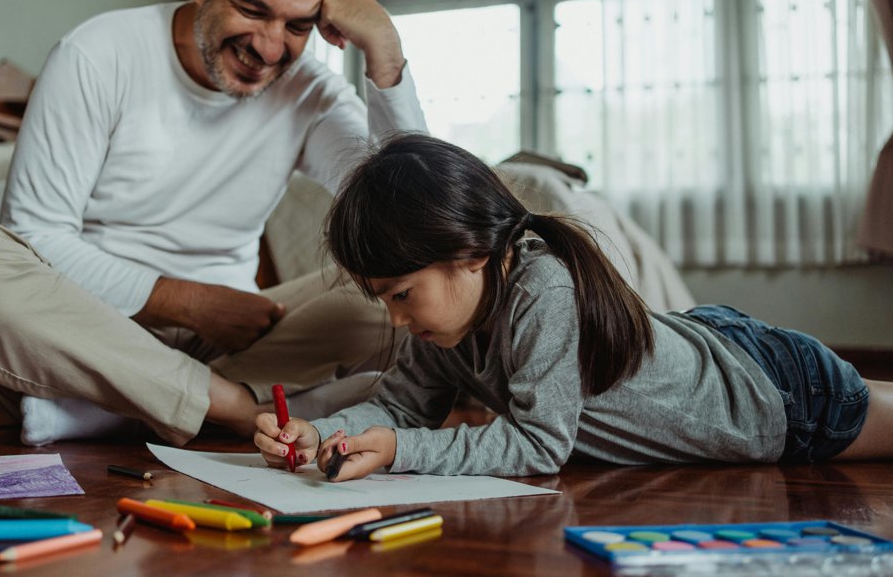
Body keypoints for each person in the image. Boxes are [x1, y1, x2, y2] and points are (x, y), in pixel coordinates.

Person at [0, 0, 426, 447]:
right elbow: (37, 234)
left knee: (392, 290)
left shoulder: (311, 93)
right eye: (251, 9)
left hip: (237, 343)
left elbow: (412, 220)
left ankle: (115, 411)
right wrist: (190, 303)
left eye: (297, 25)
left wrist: (384, 49)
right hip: (88, 335)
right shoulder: (97, 53)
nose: (269, 47)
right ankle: (231, 406)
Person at [254, 133, 893, 478]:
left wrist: (401, 450)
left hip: (776, 396)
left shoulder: (542, 288)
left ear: (469, 253)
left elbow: (539, 445)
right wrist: (325, 433)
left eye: (401, 294)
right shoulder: (443, 329)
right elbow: (398, 407)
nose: (395, 319)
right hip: (713, 348)